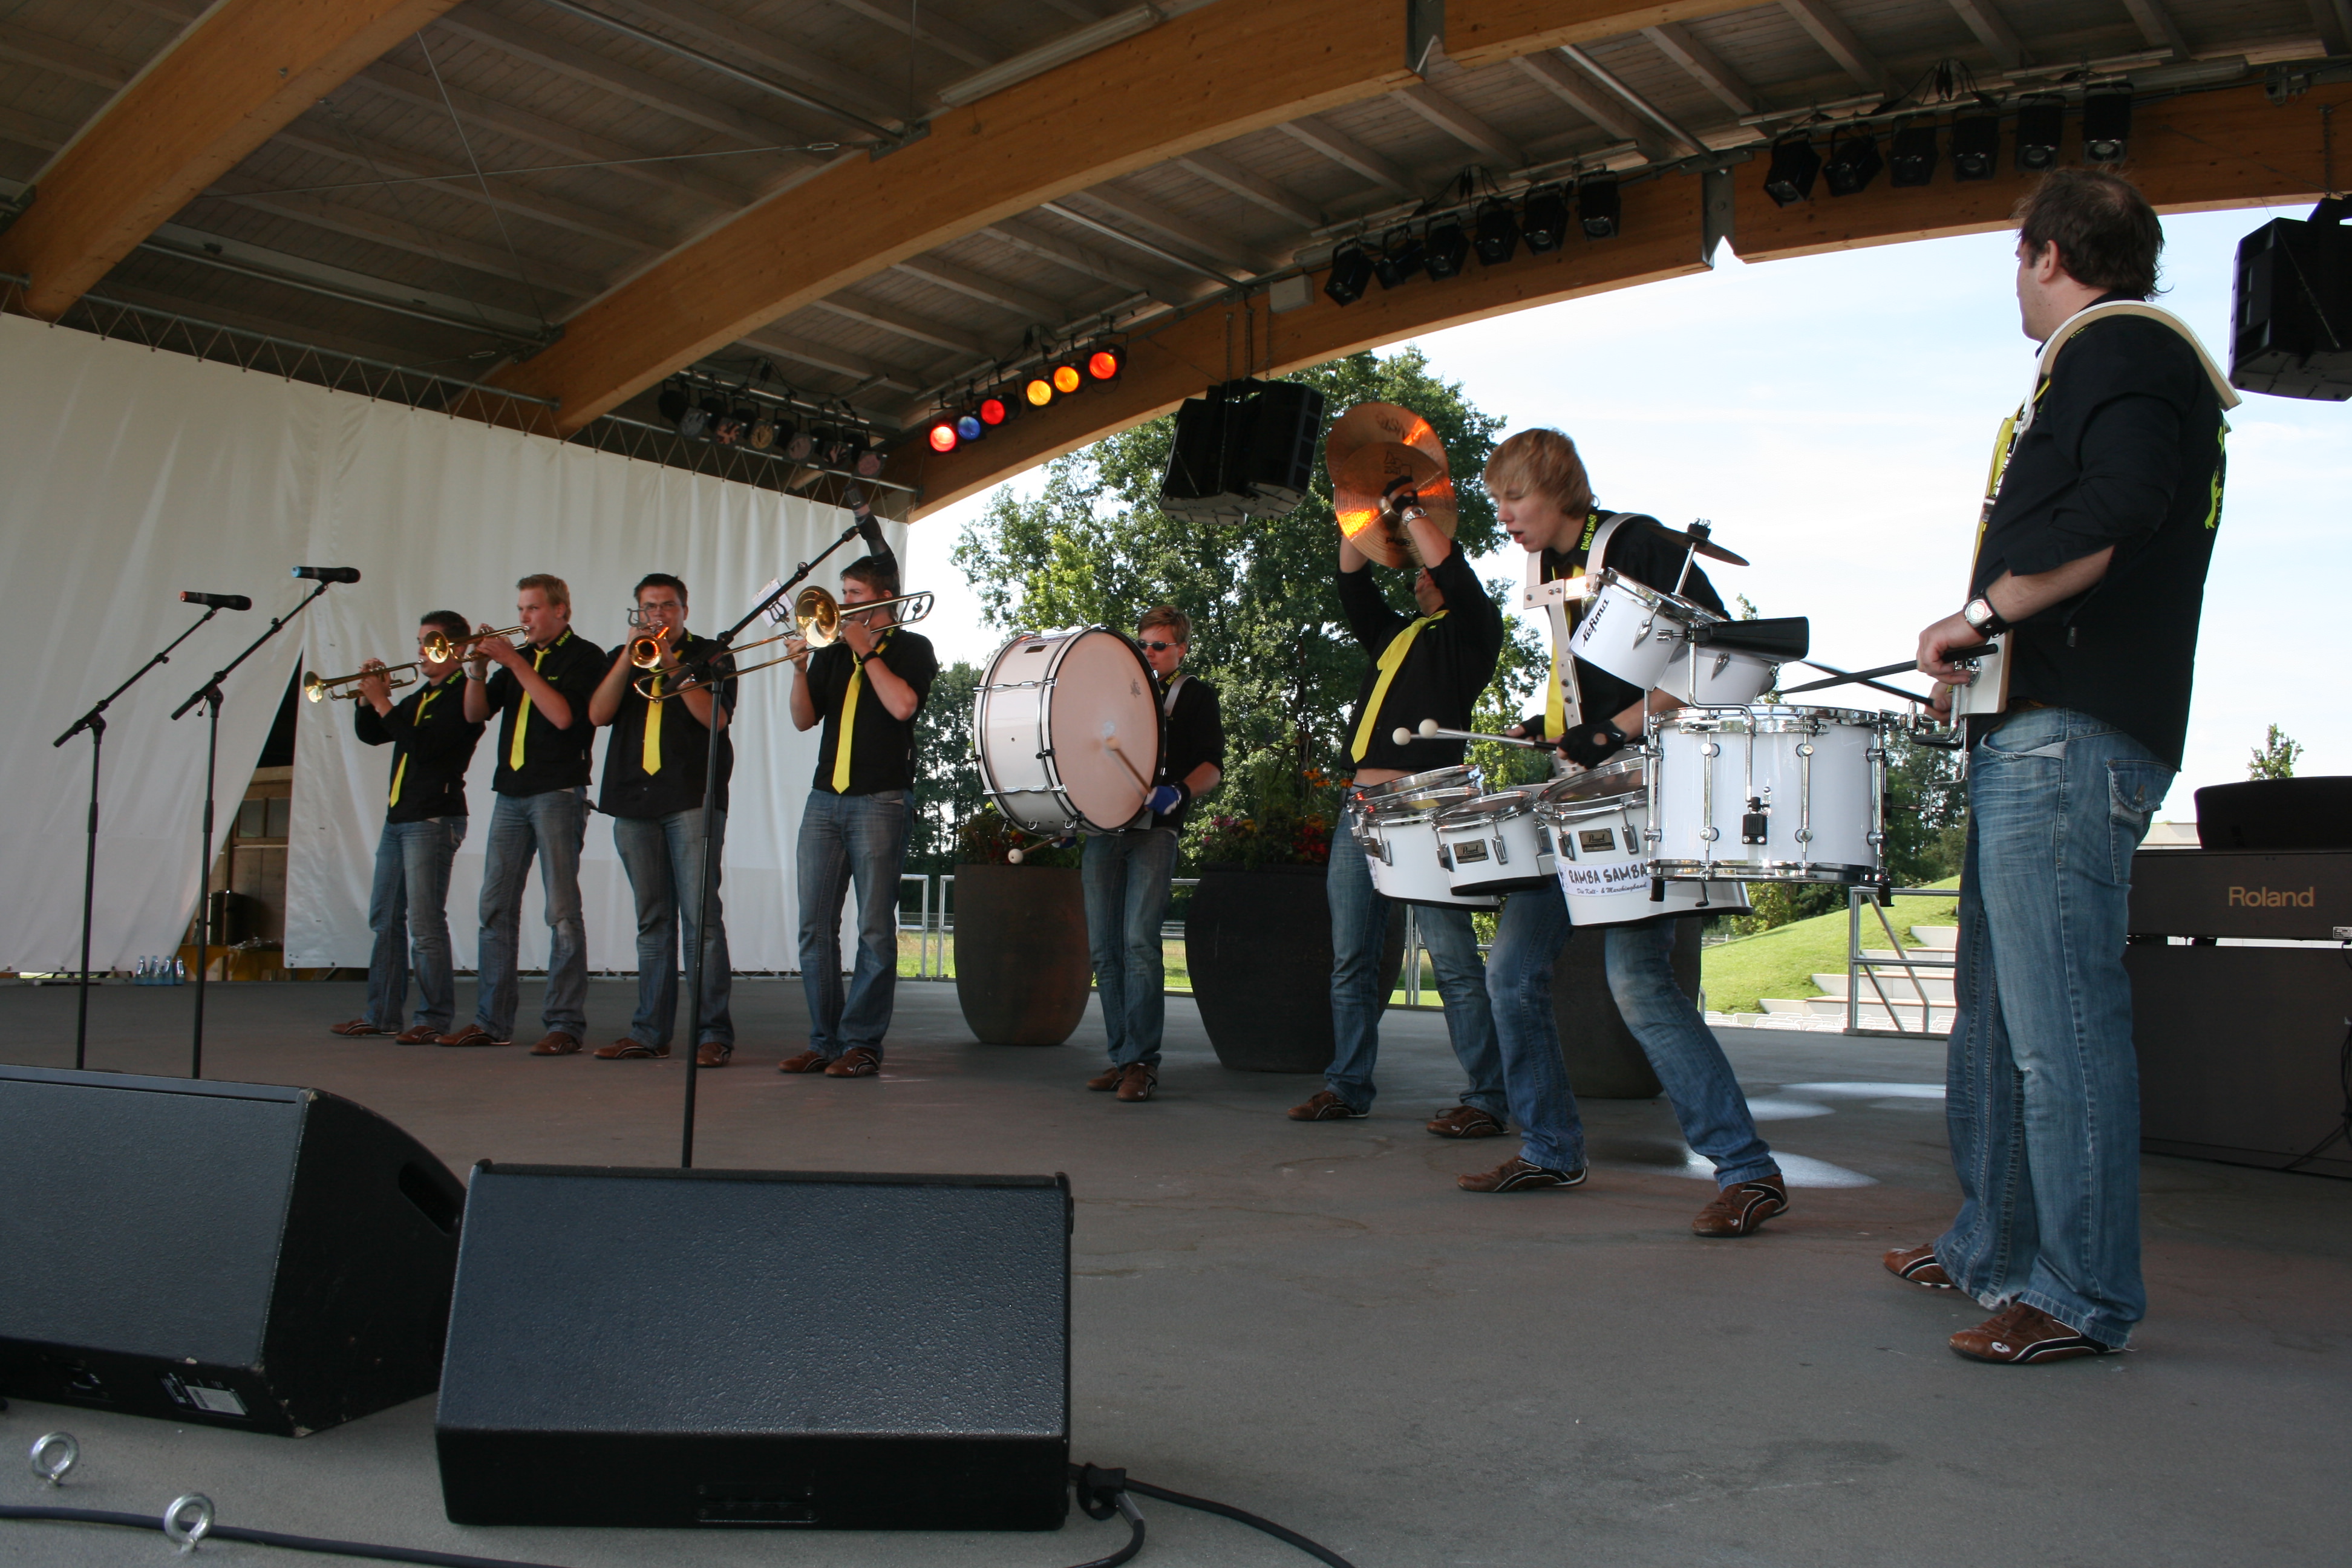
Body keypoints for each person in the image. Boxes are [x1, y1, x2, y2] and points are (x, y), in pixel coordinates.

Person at [1898, 169, 2232, 1364]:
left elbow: (2119, 507)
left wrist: (1980, 613)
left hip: (2069, 740)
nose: (2014, 281)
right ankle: (1993, 1248)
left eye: (2016, 258)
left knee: (2060, 1035)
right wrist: (1982, 657)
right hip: (2035, 726)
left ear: (2046, 252)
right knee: (1995, 1024)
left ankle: (2082, 1293)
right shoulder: (2112, 358)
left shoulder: (2120, 346)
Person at [1469, 428, 1788, 1239]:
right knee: (1510, 973)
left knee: (1639, 982)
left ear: (1560, 489)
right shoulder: (1549, 568)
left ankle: (1747, 1170)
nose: (1504, 515)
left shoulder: (1636, 544)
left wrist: (1615, 729)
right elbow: (1595, 686)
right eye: (1498, 501)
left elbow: (1732, 659)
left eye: (1516, 497)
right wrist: (1558, 725)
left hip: (1649, 794)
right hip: (1580, 796)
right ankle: (1550, 1148)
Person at [1289, 488, 1511, 1139]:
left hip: (1428, 802)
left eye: (1427, 568)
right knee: (1351, 959)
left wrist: (1414, 511)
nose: (1418, 575)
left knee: (1453, 961)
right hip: (1360, 809)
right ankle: (1347, 1086)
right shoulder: (1395, 635)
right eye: (1413, 569)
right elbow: (1352, 580)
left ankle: (1488, 1098)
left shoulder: (1473, 631)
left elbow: (1454, 573)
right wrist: (1360, 513)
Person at [778, 554, 938, 1078]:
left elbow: (902, 706)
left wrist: (866, 650)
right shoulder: (832, 652)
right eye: (842, 593)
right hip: (825, 798)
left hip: (880, 799)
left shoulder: (912, 648)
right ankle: (825, 1041)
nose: (842, 603)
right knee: (814, 926)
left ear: (884, 598)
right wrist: (799, 669)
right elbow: (804, 720)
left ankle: (862, 1044)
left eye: (853, 595)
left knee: (873, 928)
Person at [440, 574, 606, 1054]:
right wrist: (476, 671)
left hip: (558, 792)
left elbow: (564, 716)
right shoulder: (521, 659)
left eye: (532, 608)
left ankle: (565, 1024)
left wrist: (513, 661)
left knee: (561, 912)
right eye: (520, 610)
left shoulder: (585, 656)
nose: (523, 618)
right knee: (495, 907)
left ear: (561, 611)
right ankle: (492, 1021)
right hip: (510, 793)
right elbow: (475, 715)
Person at [586, 573, 736, 1067]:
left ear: (684, 610)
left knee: (701, 920)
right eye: (649, 607)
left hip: (690, 797)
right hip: (633, 799)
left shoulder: (712, 654)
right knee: (652, 921)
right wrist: (626, 660)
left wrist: (672, 662)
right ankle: (650, 1032)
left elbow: (715, 719)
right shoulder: (624, 655)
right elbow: (598, 714)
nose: (658, 615)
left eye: (667, 606)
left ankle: (713, 1034)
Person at [1082, 607, 1225, 1103]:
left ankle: (1142, 1062)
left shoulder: (1195, 696)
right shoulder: (1117, 693)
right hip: (1103, 828)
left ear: (1182, 649)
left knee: (1139, 944)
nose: (1148, 653)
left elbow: (1213, 767)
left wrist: (1179, 792)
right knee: (1104, 950)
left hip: (1155, 831)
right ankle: (1123, 1056)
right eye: (1142, 644)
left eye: (1159, 646)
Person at [329, 612, 485, 1044]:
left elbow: (425, 748)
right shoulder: (422, 696)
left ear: (457, 648)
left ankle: (433, 1018)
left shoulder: (464, 696)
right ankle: (382, 1014)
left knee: (425, 924)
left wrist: (383, 701)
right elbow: (374, 735)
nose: (419, 651)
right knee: (385, 919)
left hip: (433, 818)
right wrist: (367, 700)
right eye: (419, 642)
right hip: (400, 818)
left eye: (429, 642)